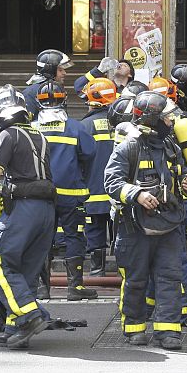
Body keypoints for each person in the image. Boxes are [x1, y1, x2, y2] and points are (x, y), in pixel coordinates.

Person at [104, 91, 187, 350]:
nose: (172, 122)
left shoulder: (171, 147)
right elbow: (111, 182)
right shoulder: (129, 146)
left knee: (170, 277)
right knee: (136, 279)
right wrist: (137, 194)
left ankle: (168, 331)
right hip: (135, 226)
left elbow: (182, 175)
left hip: (168, 224)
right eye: (167, 118)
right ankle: (134, 328)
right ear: (152, 119)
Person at [0, 85, 55, 349]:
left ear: (0, 111)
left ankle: (30, 315)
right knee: (27, 270)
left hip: (23, 209)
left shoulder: (9, 135)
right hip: (46, 211)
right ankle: (16, 330)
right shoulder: (40, 135)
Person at [33, 81, 98, 302]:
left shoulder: (32, 128)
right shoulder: (76, 127)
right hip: (71, 195)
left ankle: (42, 288)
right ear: (64, 100)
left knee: (42, 239)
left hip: (40, 196)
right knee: (74, 237)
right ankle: (74, 287)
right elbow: (89, 155)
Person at [80, 77, 119, 277]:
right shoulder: (122, 123)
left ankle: (97, 270)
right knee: (121, 230)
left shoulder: (85, 126)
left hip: (93, 190)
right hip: (119, 191)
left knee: (94, 229)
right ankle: (124, 269)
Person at [23, 49, 73, 117]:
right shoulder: (30, 94)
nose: (64, 73)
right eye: (60, 70)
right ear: (50, 71)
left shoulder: (56, 89)